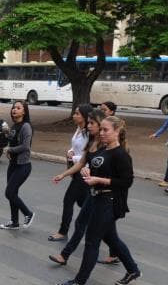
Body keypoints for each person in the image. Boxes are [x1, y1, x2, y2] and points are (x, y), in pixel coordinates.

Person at [56, 116, 141, 285]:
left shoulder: (121, 154)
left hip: (108, 201)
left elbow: (126, 182)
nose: (101, 133)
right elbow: (92, 167)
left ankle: (78, 283)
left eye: (105, 130)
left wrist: (98, 179)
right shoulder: (103, 150)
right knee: (112, 239)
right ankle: (133, 269)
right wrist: (88, 171)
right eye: (100, 129)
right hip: (95, 199)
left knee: (92, 241)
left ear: (117, 131)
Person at [49, 108, 120, 266]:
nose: (88, 126)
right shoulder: (92, 142)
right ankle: (126, 262)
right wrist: (64, 174)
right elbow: (82, 163)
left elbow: (122, 178)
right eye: (88, 122)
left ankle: (66, 256)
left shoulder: (110, 147)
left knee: (91, 231)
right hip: (92, 189)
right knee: (100, 228)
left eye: (92, 123)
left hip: (103, 193)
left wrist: (95, 175)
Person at [48, 104, 92, 241]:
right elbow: (75, 147)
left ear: (84, 116)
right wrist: (69, 151)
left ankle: (63, 232)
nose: (74, 115)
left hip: (83, 171)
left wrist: (72, 157)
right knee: (83, 203)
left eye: (77, 114)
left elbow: (88, 156)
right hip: (76, 169)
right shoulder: (78, 129)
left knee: (68, 200)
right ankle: (101, 226)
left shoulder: (89, 133)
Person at [0, 100, 35, 230]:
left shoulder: (26, 126)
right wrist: (9, 146)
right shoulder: (14, 126)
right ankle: (14, 222)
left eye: (18, 108)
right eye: (14, 107)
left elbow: (26, 146)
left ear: (24, 111)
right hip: (13, 164)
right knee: (13, 193)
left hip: (23, 166)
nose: (15, 110)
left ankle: (28, 213)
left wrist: (10, 150)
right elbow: (13, 143)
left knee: (9, 193)